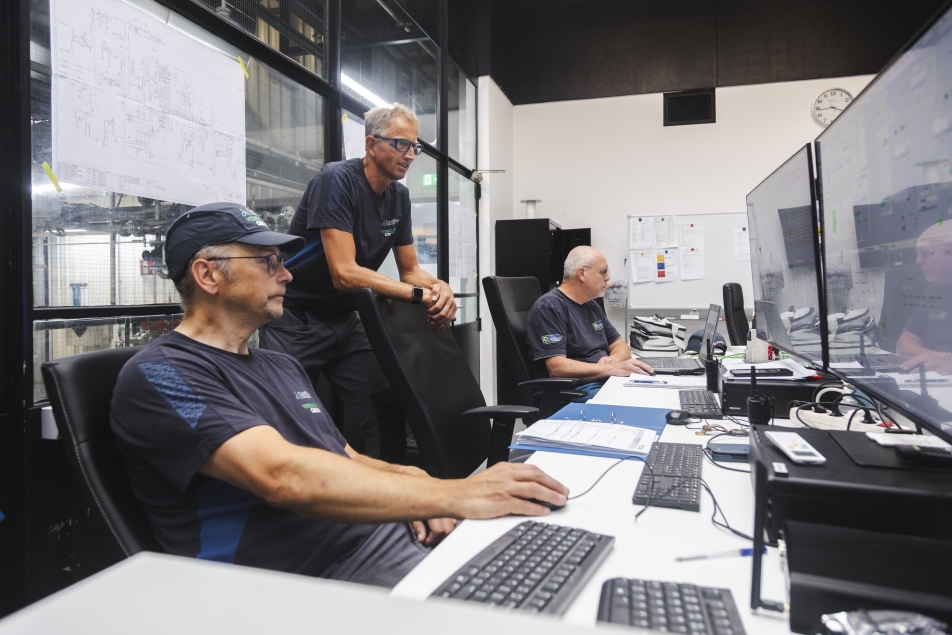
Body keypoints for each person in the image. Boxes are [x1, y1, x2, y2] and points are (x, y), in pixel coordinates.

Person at [110, 203, 568, 588]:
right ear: (208, 275)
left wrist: (422, 490)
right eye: (269, 263)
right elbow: (280, 476)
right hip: (303, 580)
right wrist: (452, 495)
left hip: (378, 539)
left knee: (557, 557)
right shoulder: (160, 375)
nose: (287, 276)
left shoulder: (280, 364)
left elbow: (342, 456)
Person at [258, 103, 456, 463]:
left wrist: (439, 287)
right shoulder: (337, 180)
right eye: (400, 144)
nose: (410, 155)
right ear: (370, 144)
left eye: (415, 146)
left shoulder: (400, 196)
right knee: (286, 420)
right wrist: (419, 296)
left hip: (346, 322)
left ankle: (388, 505)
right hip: (296, 318)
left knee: (386, 409)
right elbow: (344, 273)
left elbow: (410, 270)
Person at [525, 246, 653, 401]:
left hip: (604, 380)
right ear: (582, 273)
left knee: (653, 393)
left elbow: (621, 346)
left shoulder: (591, 305)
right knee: (639, 403)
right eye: (603, 272)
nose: (607, 278)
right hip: (579, 389)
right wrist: (610, 368)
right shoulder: (549, 307)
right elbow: (557, 368)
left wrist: (613, 361)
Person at [898, 221, 952, 375]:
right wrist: (939, 358)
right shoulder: (935, 291)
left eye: (925, 253)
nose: (918, 261)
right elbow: (904, 345)